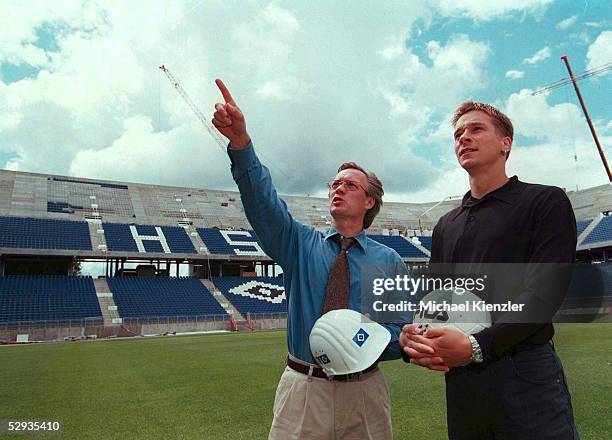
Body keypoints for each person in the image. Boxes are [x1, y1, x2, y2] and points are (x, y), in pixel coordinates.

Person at [212, 79, 409, 440]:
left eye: (350, 185)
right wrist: (241, 145)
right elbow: (265, 207)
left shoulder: (389, 260)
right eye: (335, 184)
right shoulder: (300, 243)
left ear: (369, 202)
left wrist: (361, 341)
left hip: (365, 391)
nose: (338, 188)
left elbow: (401, 329)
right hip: (304, 388)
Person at [400, 101, 580, 439]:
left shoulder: (544, 202)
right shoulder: (445, 225)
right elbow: (436, 301)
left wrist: (476, 345)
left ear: (505, 143)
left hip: (524, 372)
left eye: (476, 129)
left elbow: (545, 294)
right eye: (458, 134)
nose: (464, 138)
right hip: (463, 382)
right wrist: (415, 335)